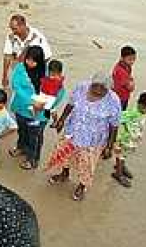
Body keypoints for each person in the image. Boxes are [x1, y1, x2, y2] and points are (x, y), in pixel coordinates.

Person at [46, 73, 122, 202]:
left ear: (108, 89)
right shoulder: (81, 88)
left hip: (92, 140)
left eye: (102, 88)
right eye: (95, 86)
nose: (98, 90)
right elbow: (70, 104)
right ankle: (64, 173)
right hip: (72, 132)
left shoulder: (113, 101)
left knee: (87, 164)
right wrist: (62, 120)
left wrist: (109, 146)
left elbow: (114, 125)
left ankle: (82, 186)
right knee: (64, 155)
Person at [9, 47, 66, 170]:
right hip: (21, 108)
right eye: (28, 59)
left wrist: (48, 105)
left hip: (40, 113)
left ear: (40, 61)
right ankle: (21, 148)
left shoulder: (49, 72)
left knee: (35, 136)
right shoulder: (20, 68)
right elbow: (16, 86)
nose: (30, 63)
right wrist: (32, 101)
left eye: (33, 61)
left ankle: (32, 159)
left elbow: (59, 92)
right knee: (22, 130)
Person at [112, 92, 146, 187]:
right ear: (138, 104)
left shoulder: (142, 114)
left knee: (124, 155)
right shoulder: (132, 113)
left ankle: (121, 167)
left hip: (131, 141)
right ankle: (118, 174)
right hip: (124, 140)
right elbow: (118, 118)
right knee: (121, 156)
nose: (145, 110)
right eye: (144, 107)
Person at [1, 14, 52, 88]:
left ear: (23, 26)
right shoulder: (11, 36)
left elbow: (47, 57)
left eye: (15, 29)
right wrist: (5, 76)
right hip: (19, 70)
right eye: (11, 28)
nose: (13, 31)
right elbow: (7, 56)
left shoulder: (37, 37)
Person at [112, 45, 137, 110]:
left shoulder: (126, 66)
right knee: (120, 112)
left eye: (134, 59)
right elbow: (130, 87)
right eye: (129, 59)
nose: (132, 62)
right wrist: (132, 84)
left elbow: (129, 77)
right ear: (122, 58)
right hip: (120, 97)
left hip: (122, 95)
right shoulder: (120, 71)